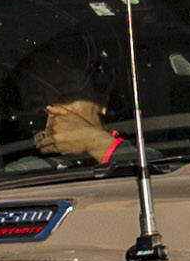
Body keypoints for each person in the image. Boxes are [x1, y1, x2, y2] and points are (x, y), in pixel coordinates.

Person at [10, 43, 126, 171]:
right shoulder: (26, 171)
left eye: (65, 95)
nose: (52, 113)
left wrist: (96, 143)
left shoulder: (143, 147)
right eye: (36, 105)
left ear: (101, 97)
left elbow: (148, 176)